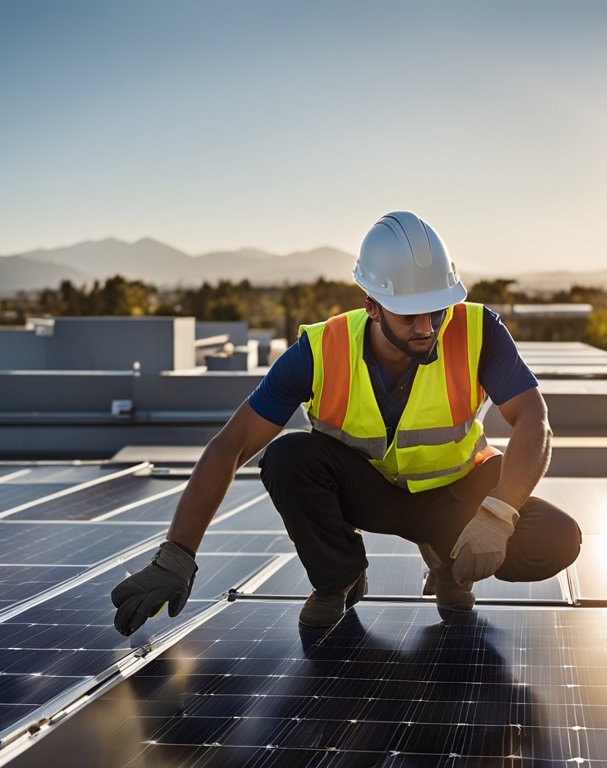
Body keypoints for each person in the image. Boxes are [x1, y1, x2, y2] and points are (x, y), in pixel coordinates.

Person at [111, 211, 582, 635]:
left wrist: (498, 513)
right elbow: (232, 444)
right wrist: (177, 555)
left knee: (555, 539)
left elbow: (534, 421)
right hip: (367, 496)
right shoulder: (320, 350)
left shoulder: (478, 330)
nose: (427, 326)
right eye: (410, 313)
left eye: (437, 309)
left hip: (455, 500)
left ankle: (446, 565)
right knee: (288, 456)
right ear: (372, 305)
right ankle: (339, 577)